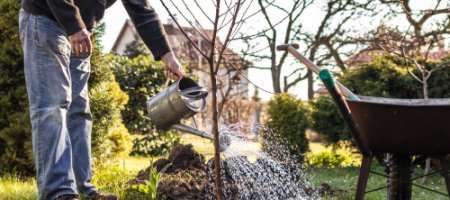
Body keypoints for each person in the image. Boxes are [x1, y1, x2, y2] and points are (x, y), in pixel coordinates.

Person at [19, 0, 185, 199]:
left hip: (80, 31)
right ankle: (58, 192)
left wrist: (167, 56)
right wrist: (74, 26)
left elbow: (142, 10)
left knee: (79, 112)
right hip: (46, 19)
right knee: (54, 106)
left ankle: (84, 189)